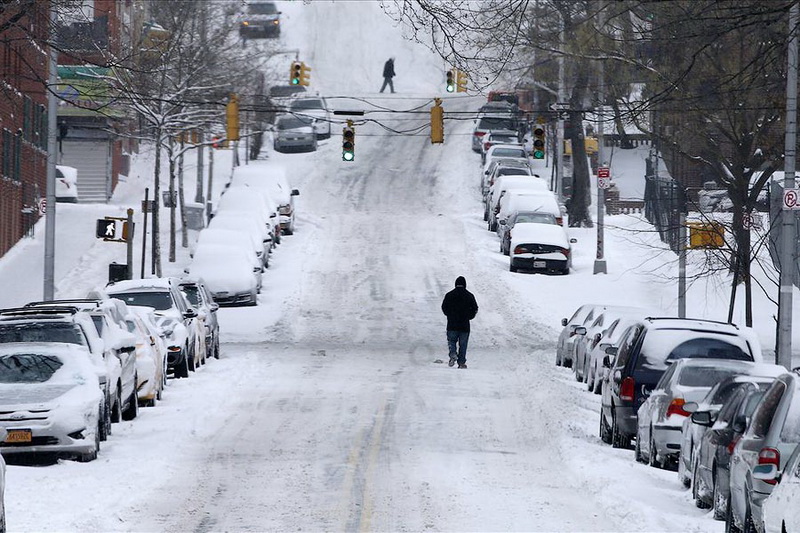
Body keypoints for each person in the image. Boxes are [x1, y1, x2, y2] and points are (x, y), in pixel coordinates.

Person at [441, 276, 478, 369]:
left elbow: (444, 307)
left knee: (452, 341)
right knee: (463, 344)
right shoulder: (469, 295)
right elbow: (475, 308)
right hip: (464, 325)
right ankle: (461, 362)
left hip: (452, 324)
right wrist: (469, 316)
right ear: (465, 284)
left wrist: (449, 315)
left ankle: (453, 353)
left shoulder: (449, 295)